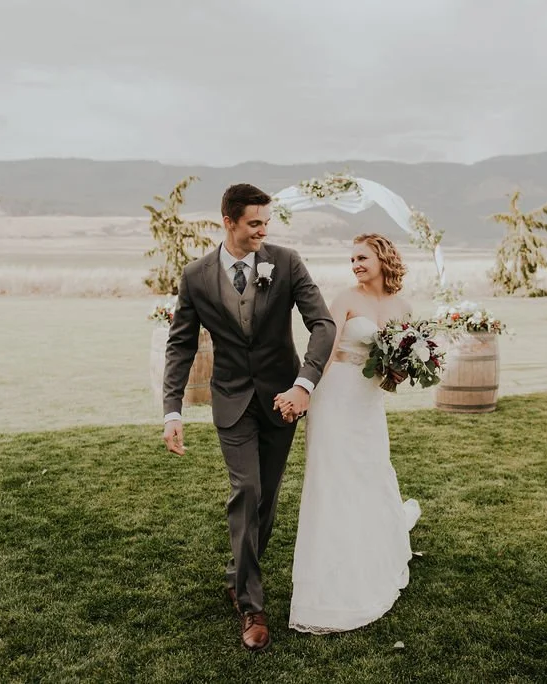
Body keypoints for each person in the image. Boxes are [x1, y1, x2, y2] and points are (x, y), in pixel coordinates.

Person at [161, 183, 336, 652]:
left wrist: (304, 384)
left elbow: (323, 324)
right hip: (232, 401)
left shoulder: (288, 261)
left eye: (266, 222)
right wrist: (172, 410)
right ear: (229, 221)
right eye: (254, 223)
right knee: (248, 489)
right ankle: (251, 607)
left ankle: (239, 575)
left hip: (282, 401)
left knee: (267, 501)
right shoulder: (196, 276)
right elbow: (180, 344)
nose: (263, 230)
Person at [280, 232, 422, 634]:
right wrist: (305, 392)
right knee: (334, 482)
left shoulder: (403, 307)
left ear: (383, 257)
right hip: (335, 398)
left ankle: (372, 557)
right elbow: (322, 350)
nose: (356, 264)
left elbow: (399, 371)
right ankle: (332, 584)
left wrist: (398, 373)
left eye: (362, 257)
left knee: (371, 473)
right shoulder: (344, 299)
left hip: (369, 401)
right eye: (352, 259)